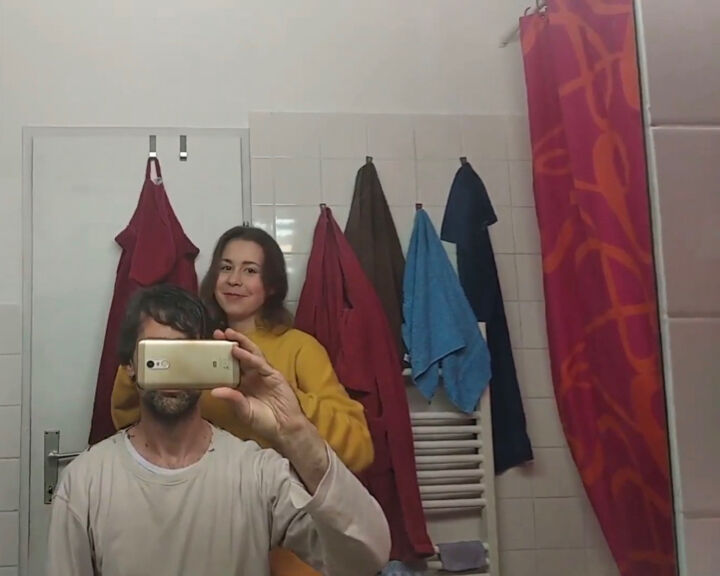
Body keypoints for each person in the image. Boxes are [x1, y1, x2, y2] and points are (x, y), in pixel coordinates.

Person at [47, 285, 391, 576]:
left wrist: (296, 431)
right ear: (129, 367)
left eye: (185, 353)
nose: (172, 368)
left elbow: (366, 557)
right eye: (158, 354)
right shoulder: (85, 481)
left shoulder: (259, 474)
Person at [110, 226, 375, 575]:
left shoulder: (300, 348)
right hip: (209, 529)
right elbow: (129, 422)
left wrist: (281, 397)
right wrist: (144, 359)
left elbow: (359, 448)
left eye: (250, 270)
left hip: (291, 539)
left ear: (272, 285)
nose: (234, 279)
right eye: (226, 267)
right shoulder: (192, 348)